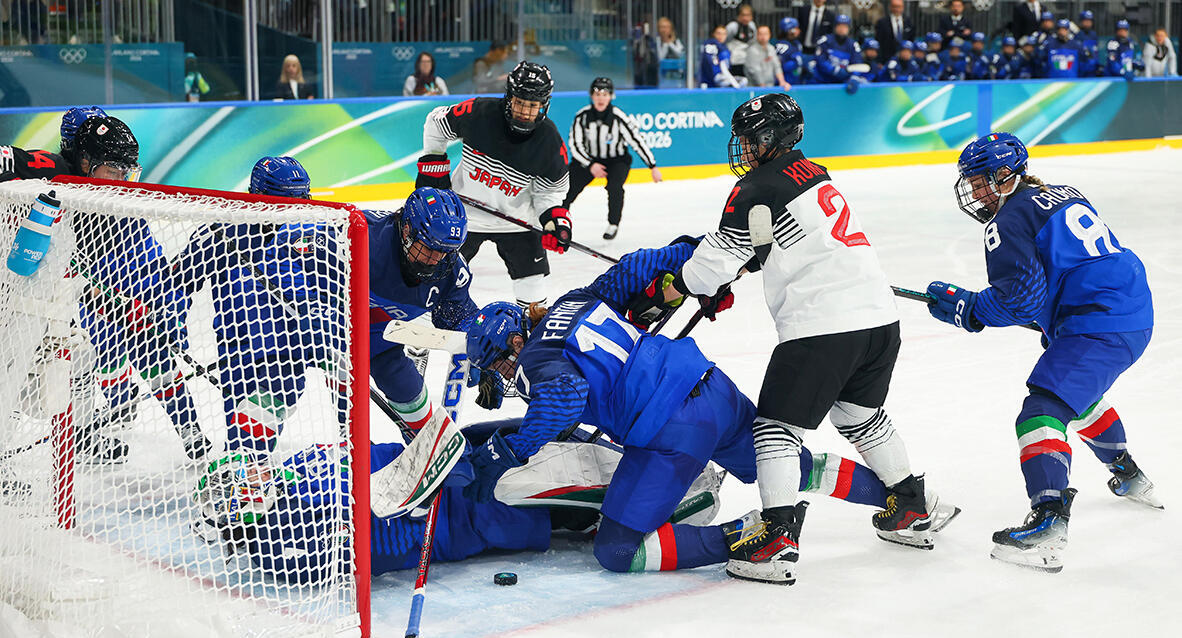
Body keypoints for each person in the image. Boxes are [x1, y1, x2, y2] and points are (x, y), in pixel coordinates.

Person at [462, 242, 959, 580]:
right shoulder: (574, 300)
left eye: (500, 362)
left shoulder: (535, 358)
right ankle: (911, 503)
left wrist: (508, 452)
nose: (507, 372)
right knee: (784, 463)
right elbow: (639, 266)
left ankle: (745, 536)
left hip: (670, 432)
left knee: (617, 551)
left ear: (510, 343)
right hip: (711, 387)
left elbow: (564, 400)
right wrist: (711, 259)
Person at [642, 94, 943, 584]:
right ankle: (910, 504)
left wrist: (671, 289)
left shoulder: (755, 186)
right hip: (878, 321)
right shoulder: (811, 171)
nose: (741, 147)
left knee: (774, 429)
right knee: (859, 415)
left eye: (748, 138)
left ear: (770, 139)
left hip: (823, 324)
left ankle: (778, 538)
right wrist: (751, 260)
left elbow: (710, 266)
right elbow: (775, 243)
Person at [201, 413, 920, 583]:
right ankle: (736, 535)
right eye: (243, 491)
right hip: (511, 508)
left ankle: (890, 490)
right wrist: (277, 555)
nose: (253, 479)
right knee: (617, 527)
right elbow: (390, 550)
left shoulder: (314, 462)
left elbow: (406, 449)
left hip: (504, 467)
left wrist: (478, 437)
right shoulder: (317, 530)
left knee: (736, 453)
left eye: (244, 474)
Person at [925, 132, 1160, 572]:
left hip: (1099, 320)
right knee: (1075, 393)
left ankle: (1049, 520)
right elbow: (1055, 278)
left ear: (1006, 175)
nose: (975, 192)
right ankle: (1128, 473)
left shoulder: (1007, 221)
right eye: (970, 183)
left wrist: (970, 309)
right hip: (1127, 309)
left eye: (981, 182)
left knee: (1041, 410)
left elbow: (1021, 300)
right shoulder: (1062, 193)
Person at [67, 116, 210, 463]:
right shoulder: (65, 199)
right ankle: (108, 437)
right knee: (107, 364)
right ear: (86, 162)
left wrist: (167, 315)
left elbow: (155, 270)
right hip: (97, 309)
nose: (123, 180)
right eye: (115, 170)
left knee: (158, 361)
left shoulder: (127, 211)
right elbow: (67, 268)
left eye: (129, 170)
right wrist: (103, 299)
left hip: (136, 300)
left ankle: (191, 431)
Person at [416, 61, 570, 309]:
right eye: (520, 102)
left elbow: (550, 192)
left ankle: (530, 344)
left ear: (544, 105)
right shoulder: (479, 112)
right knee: (433, 278)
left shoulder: (550, 143)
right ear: (509, 98)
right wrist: (434, 169)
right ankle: (419, 338)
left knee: (533, 288)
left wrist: (554, 221)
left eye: (532, 106)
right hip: (462, 216)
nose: (524, 112)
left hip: (517, 222)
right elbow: (435, 123)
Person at [564, 77, 661, 241]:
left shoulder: (619, 117)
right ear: (591, 96)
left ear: (611, 96)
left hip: (617, 160)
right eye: (597, 93)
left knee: (615, 187)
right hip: (589, 159)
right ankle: (559, 222)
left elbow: (636, 140)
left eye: (605, 94)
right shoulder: (582, 117)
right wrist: (590, 164)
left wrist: (652, 166)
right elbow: (575, 145)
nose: (601, 98)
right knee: (566, 189)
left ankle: (613, 223)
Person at [812, 14, 862, 84]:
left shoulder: (853, 45)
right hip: (822, 81)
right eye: (839, 26)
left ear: (849, 29)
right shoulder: (825, 41)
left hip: (842, 83)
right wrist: (834, 70)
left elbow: (857, 63)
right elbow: (820, 60)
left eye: (845, 26)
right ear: (835, 27)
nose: (842, 29)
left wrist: (854, 77)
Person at [744, 25, 793, 89]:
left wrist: (782, 81)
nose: (763, 36)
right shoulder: (752, 50)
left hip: (770, 86)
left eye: (765, 34)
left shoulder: (771, 48)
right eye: (760, 34)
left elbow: (777, 66)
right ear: (757, 35)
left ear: (769, 35)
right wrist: (763, 86)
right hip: (755, 88)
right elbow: (755, 71)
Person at [725, 3, 758, 78]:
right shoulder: (732, 26)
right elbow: (724, 41)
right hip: (735, 62)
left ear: (751, 17)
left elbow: (754, 42)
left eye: (748, 15)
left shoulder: (752, 26)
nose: (745, 18)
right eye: (743, 15)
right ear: (739, 16)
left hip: (748, 62)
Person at [775, 17, 806, 83]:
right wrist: (795, 62)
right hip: (785, 82)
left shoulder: (797, 43)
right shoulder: (782, 46)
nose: (799, 30)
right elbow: (779, 66)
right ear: (790, 30)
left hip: (796, 80)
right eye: (796, 28)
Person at [1075, 11, 1101, 76]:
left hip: (1093, 69)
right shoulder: (1077, 35)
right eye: (1085, 21)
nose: (1088, 23)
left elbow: (1095, 53)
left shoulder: (1094, 35)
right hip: (1081, 69)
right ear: (1081, 22)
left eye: (1089, 21)